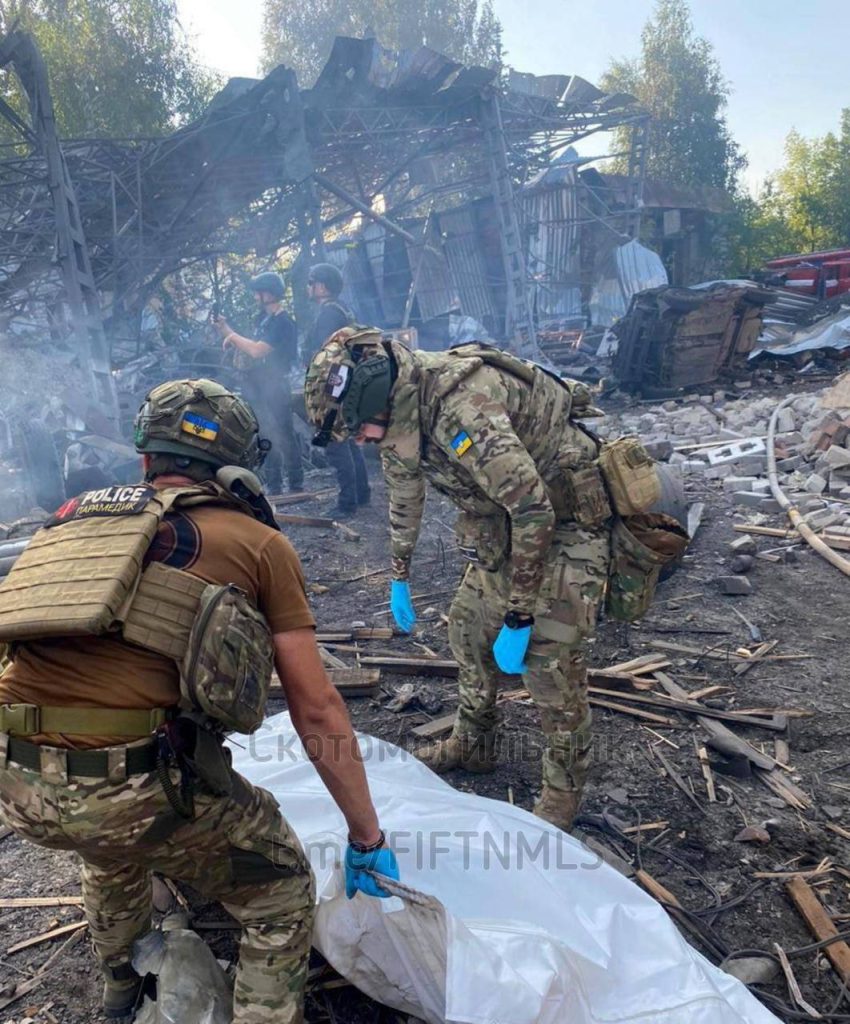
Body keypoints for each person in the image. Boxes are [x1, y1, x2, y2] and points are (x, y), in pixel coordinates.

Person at [0, 379, 399, 1023]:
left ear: (144, 462)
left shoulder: (67, 520)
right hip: (132, 792)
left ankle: (119, 992)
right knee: (279, 892)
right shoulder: (257, 543)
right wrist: (364, 832)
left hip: (19, 782)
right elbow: (317, 708)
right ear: (237, 469)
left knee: (110, 855)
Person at [304, 329, 615, 833]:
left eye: (359, 430)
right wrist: (398, 573)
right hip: (504, 519)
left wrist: (519, 612)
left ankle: (563, 789)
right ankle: (476, 743)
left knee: (549, 661)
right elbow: (404, 491)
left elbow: (535, 510)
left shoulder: (461, 411)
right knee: (468, 630)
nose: (360, 441)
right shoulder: (399, 409)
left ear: (376, 400)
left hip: (564, 519)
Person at [215, 271, 303, 494]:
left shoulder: (283, 323)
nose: (255, 296)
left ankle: (295, 482)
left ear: (270, 294)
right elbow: (250, 348)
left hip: (274, 384)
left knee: (284, 432)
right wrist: (227, 330)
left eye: (258, 292)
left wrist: (232, 337)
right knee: (264, 433)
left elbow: (256, 350)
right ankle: (274, 484)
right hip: (256, 384)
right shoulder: (263, 320)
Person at [304, 263, 370, 517]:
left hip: (333, 382)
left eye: (311, 282)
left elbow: (325, 352)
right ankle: (361, 494)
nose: (308, 287)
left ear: (321, 287)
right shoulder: (344, 309)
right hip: (346, 379)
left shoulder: (329, 313)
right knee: (348, 439)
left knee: (334, 439)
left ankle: (347, 504)